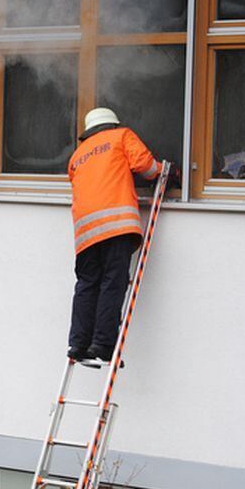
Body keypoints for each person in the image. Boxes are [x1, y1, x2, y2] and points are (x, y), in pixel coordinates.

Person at [66, 107, 176, 366]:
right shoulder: (121, 136)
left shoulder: (77, 156)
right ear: (112, 125)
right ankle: (104, 344)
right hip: (116, 225)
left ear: (88, 132)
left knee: (86, 284)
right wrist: (167, 172)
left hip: (84, 233)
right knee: (112, 283)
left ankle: (78, 344)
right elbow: (146, 167)